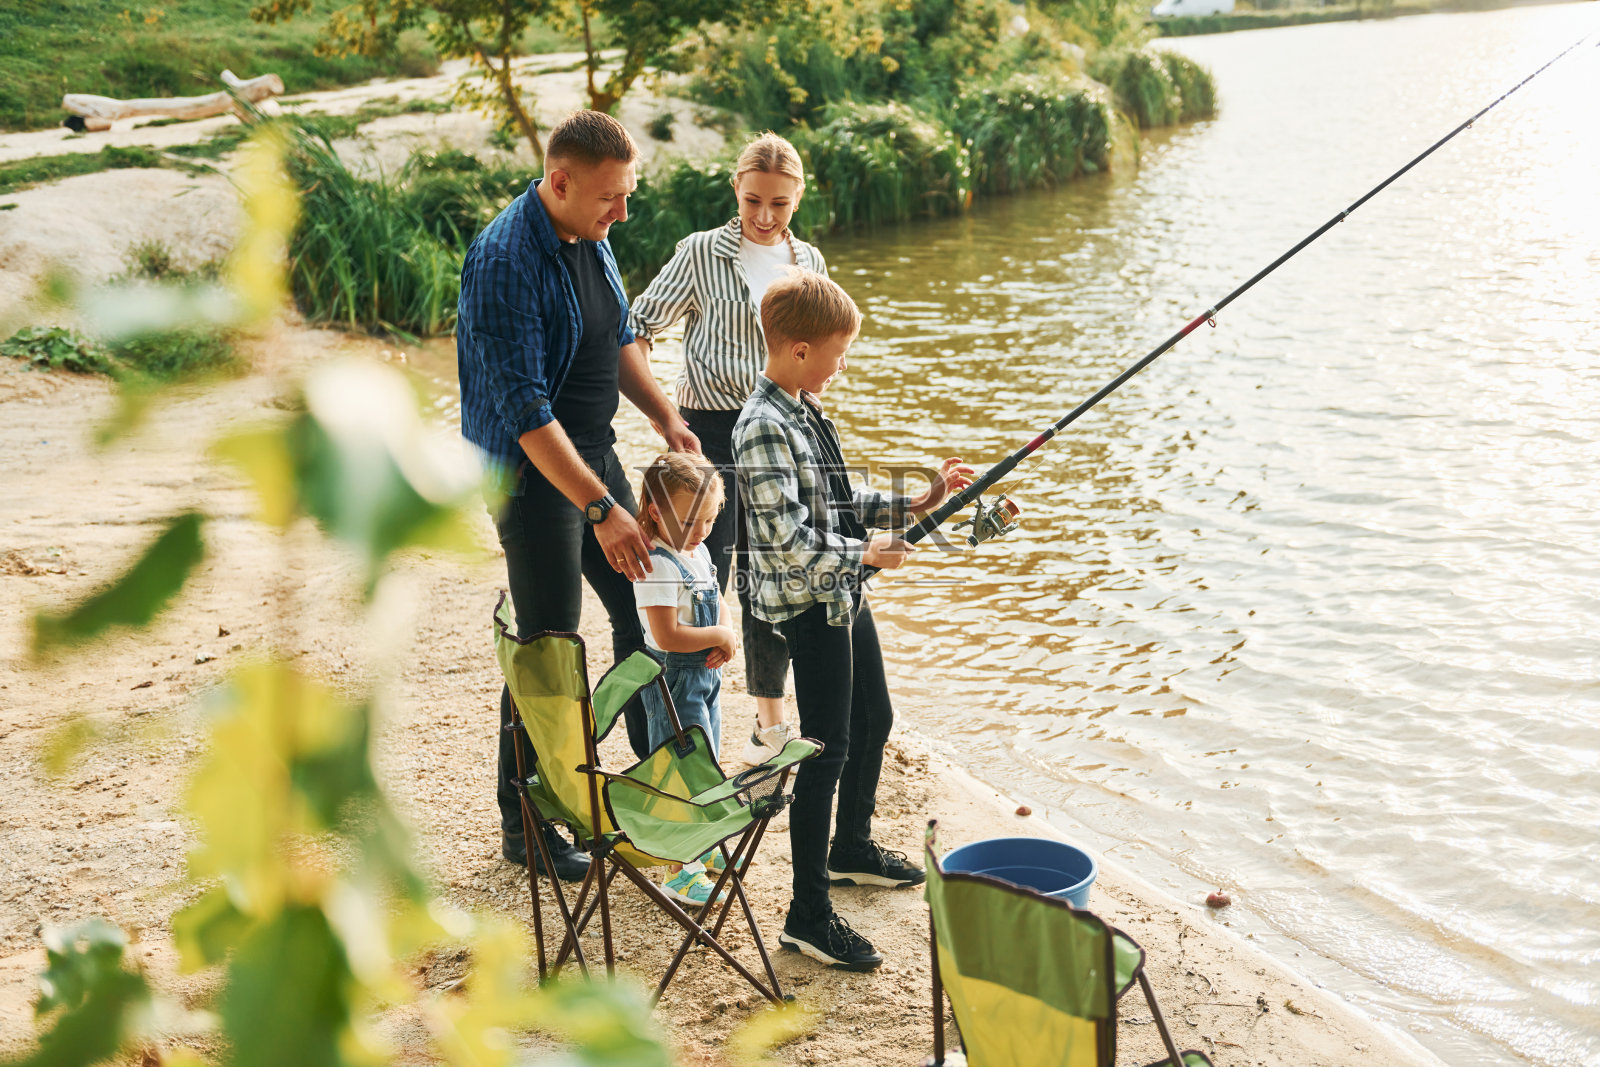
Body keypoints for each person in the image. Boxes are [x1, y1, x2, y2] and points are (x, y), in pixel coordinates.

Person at [456, 110, 698, 882]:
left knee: (639, 610)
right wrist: (602, 508)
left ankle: (620, 781)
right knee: (551, 648)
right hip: (533, 475)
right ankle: (525, 820)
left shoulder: (593, 234)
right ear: (559, 182)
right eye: (611, 197)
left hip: (593, 455)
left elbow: (620, 335)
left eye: (627, 195)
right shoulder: (503, 258)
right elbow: (527, 414)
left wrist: (664, 415)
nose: (623, 212)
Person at [732, 270, 977, 970]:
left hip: (841, 592)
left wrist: (920, 499)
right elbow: (786, 540)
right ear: (801, 349)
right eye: (839, 351)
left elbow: (840, 499)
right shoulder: (761, 427)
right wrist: (867, 550)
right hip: (810, 606)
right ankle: (807, 914)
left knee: (876, 719)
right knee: (824, 750)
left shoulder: (805, 408)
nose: (843, 364)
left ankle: (852, 847)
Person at [626, 132, 825, 767]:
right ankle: (673, 728)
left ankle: (768, 725)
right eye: (752, 201)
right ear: (735, 191)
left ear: (798, 199)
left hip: (779, 433)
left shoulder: (809, 262)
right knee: (691, 577)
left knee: (774, 579)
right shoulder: (700, 252)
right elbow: (636, 325)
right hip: (706, 436)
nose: (765, 217)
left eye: (780, 204)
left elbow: (816, 353)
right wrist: (664, 414)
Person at [631, 451, 737, 906]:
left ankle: (700, 844)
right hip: (674, 683)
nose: (701, 532)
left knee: (707, 762)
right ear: (655, 511)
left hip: (703, 681)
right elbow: (666, 634)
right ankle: (680, 869)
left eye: (710, 521)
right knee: (681, 773)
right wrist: (718, 636)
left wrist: (726, 629)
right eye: (691, 522)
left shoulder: (697, 551)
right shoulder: (656, 564)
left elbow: (719, 594)